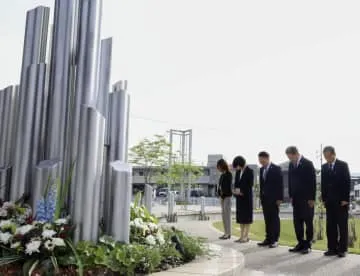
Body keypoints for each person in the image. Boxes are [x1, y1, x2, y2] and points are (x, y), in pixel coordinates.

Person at [286, 146, 316, 254]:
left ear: (295, 154)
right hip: (296, 199)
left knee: (308, 222)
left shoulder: (308, 163)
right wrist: (290, 195)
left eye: (290, 157)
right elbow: (290, 180)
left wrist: (312, 198)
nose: (290, 159)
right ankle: (300, 243)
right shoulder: (291, 164)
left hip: (307, 199)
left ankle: (308, 244)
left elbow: (312, 182)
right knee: (297, 223)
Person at [321, 146, 351, 258]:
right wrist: (324, 199)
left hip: (341, 202)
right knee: (330, 226)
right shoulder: (324, 167)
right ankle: (332, 248)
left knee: (342, 226)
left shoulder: (343, 165)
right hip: (329, 202)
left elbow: (347, 182)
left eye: (328, 156)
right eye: (325, 157)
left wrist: (345, 199)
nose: (326, 158)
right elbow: (323, 184)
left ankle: (342, 249)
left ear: (333, 154)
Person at [257, 151, 283, 248]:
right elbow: (262, 184)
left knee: (274, 219)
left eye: (262, 161)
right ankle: (268, 238)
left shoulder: (276, 169)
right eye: (259, 161)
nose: (261, 163)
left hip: (274, 199)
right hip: (265, 199)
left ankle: (275, 240)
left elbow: (280, 184)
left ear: (267, 158)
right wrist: (261, 196)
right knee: (267, 219)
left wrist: (279, 198)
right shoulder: (261, 170)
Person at [232, 156, 254, 243]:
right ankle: (241, 236)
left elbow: (250, 185)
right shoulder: (238, 172)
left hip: (247, 198)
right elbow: (236, 184)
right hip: (239, 198)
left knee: (247, 218)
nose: (237, 168)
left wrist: (242, 192)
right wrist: (235, 191)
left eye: (237, 165)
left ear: (241, 163)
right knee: (241, 218)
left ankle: (246, 236)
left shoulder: (250, 171)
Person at [216, 159, 233, 240]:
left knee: (227, 216)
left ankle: (228, 233)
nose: (218, 168)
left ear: (222, 166)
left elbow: (228, 187)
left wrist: (223, 194)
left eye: (218, 167)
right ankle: (225, 232)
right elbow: (219, 186)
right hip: (222, 197)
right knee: (223, 216)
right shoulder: (222, 175)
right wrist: (219, 194)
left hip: (227, 197)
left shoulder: (229, 174)